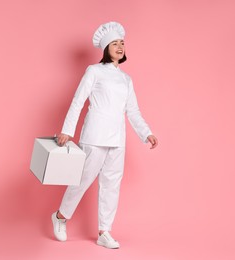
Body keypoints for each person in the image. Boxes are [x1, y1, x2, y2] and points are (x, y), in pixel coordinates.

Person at [51, 21, 158, 249]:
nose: (120, 46)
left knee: (112, 184)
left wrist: (146, 133)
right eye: (115, 43)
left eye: (122, 43)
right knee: (82, 180)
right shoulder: (94, 71)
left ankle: (104, 231)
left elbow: (133, 111)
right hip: (94, 135)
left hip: (117, 138)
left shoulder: (126, 79)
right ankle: (60, 217)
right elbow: (78, 101)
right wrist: (67, 131)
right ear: (106, 47)